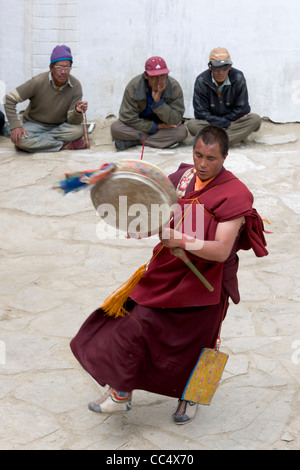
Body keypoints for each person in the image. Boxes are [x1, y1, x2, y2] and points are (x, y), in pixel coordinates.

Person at [70, 125, 268, 425]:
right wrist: (142, 226)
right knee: (134, 325)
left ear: (225, 157)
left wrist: (180, 239)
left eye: (211, 159)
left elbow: (220, 251)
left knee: (204, 342)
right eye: (198, 154)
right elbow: (158, 210)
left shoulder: (235, 194)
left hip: (207, 280)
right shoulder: (185, 177)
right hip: (169, 270)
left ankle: (193, 396)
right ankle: (121, 393)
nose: (202, 164)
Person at [4, 45, 88, 152]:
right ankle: (64, 144)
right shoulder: (38, 82)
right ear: (51, 68)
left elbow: (72, 121)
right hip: (35, 125)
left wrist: (77, 111)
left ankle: (36, 144)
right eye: (59, 67)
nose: (63, 72)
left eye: (67, 68)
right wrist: (15, 126)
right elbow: (9, 99)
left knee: (78, 130)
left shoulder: (75, 85)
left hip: (59, 127)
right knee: (20, 139)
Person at [110, 56, 188, 151]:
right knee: (116, 128)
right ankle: (156, 141)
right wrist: (157, 127)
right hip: (141, 126)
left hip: (165, 126)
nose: (159, 81)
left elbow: (175, 120)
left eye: (162, 76)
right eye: (154, 77)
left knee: (181, 132)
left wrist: (159, 103)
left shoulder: (174, 87)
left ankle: (135, 142)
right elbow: (127, 117)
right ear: (146, 76)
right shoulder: (133, 86)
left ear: (166, 75)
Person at [187, 47, 261, 146]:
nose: (220, 72)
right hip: (216, 123)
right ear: (210, 67)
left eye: (224, 67)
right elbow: (201, 113)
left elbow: (243, 108)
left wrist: (228, 122)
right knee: (192, 125)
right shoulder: (202, 80)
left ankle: (214, 142)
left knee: (255, 119)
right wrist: (227, 123)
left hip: (230, 122)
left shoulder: (238, 77)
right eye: (216, 68)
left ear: (230, 67)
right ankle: (229, 140)